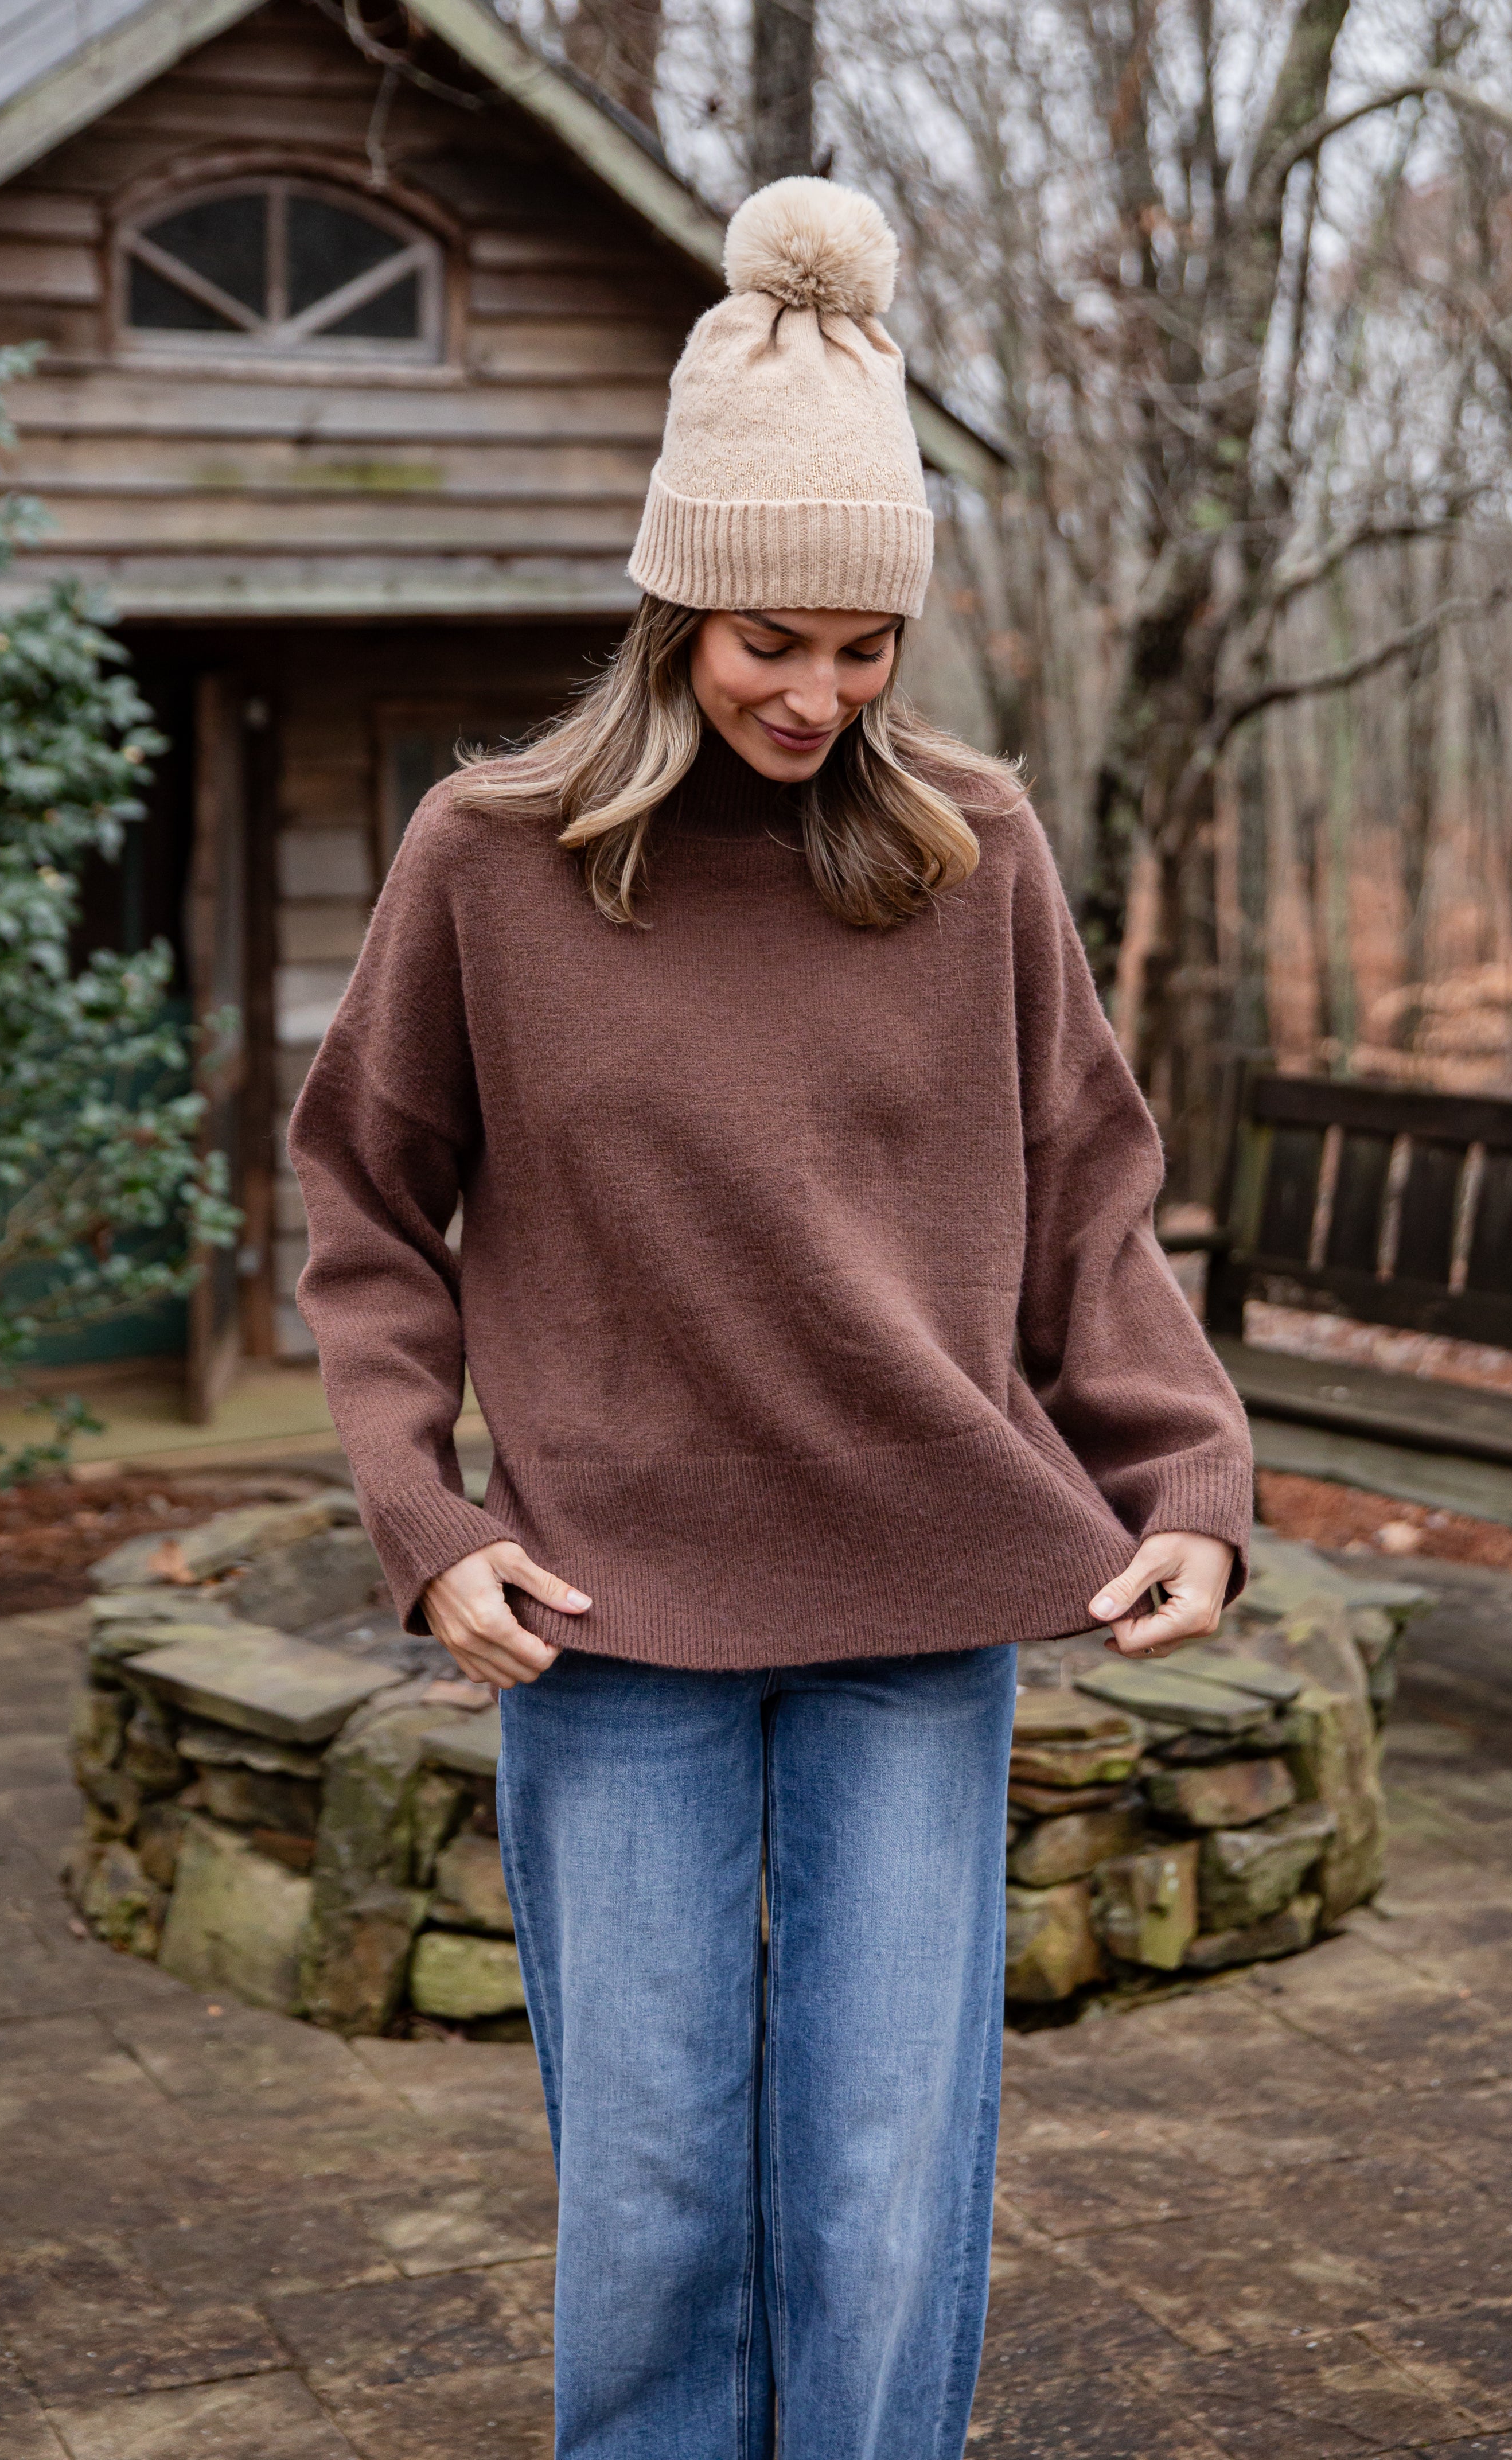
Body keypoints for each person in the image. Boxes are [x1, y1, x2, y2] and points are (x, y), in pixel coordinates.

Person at [289, 176, 1252, 2460]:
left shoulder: (978, 854)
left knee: (880, 2178)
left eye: (863, 645)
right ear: (667, 606)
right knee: (644, 2188)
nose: (816, 694)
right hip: (610, 1610)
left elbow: (1091, 1203)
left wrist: (1184, 1475)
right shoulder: (488, 864)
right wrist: (425, 1518)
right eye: (764, 641)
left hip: (922, 1588)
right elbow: (360, 1194)